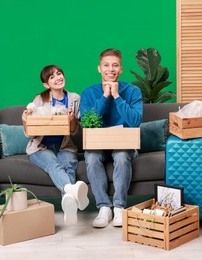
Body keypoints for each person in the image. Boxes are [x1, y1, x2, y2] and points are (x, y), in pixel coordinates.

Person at [80, 49, 143, 228]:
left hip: (124, 143)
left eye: (115, 65)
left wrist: (116, 96)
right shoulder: (89, 92)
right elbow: (86, 123)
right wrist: (105, 96)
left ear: (121, 69)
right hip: (96, 143)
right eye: (106, 65)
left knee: (122, 156)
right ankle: (104, 208)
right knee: (91, 158)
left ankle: (119, 207)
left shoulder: (132, 91)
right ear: (99, 68)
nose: (111, 69)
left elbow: (135, 122)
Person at [22, 65, 89, 226]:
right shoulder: (39, 100)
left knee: (69, 165)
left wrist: (72, 120)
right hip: (40, 147)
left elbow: (76, 132)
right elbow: (31, 133)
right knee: (54, 166)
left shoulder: (74, 99)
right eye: (52, 77)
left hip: (65, 145)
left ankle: (69, 205)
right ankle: (72, 192)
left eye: (59, 74)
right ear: (46, 84)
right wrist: (25, 122)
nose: (57, 78)